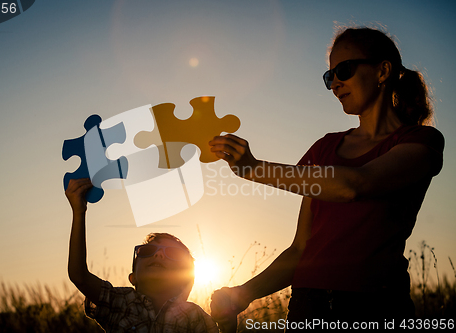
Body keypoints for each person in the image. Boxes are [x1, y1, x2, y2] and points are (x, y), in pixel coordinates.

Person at [208, 27, 444, 330]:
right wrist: (243, 295)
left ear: (383, 71)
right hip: (308, 308)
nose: (335, 84)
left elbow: (353, 185)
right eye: (329, 76)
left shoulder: (421, 140)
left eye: (343, 71)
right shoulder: (324, 147)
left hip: (376, 308)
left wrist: (254, 169)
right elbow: (301, 249)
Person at [66, 178, 219, 333]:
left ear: (186, 280)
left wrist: (229, 320)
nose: (159, 254)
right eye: (147, 251)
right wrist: (79, 212)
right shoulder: (120, 301)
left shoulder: (195, 316)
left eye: (172, 253)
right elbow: (79, 276)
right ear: (133, 278)